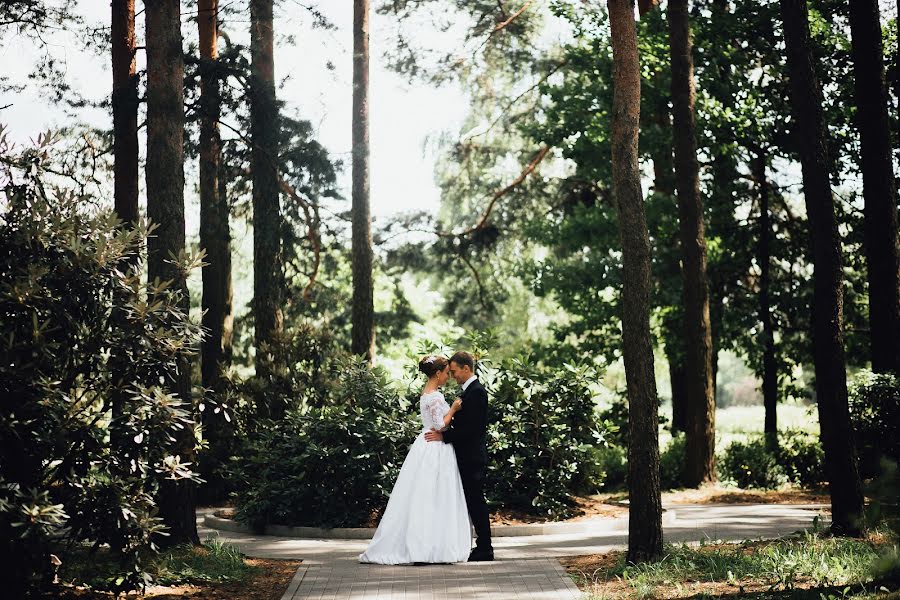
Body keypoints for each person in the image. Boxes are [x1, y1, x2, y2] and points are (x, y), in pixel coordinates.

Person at [358, 355, 471, 564]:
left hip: (426, 445)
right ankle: (431, 546)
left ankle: (427, 544)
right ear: (438, 373)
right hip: (436, 446)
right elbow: (439, 425)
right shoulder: (436, 397)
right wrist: (454, 409)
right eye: (447, 373)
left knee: (424, 494)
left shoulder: (426, 393)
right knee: (436, 495)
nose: (448, 377)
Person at [425, 351, 494, 561]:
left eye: (454, 371)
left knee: (476, 502)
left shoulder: (477, 392)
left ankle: (485, 547)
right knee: (469, 501)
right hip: (464, 456)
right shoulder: (468, 391)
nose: (453, 375)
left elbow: (472, 429)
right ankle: (476, 545)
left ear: (466, 368)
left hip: (472, 457)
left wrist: (443, 437)